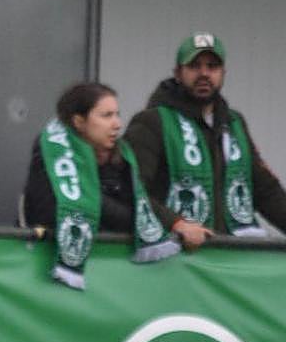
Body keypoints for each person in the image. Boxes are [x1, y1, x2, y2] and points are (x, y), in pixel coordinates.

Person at [124, 33, 286, 252]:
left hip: (226, 260)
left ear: (223, 73)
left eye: (212, 66)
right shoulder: (152, 122)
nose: (204, 73)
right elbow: (133, 190)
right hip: (173, 259)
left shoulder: (234, 123)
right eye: (194, 66)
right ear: (178, 73)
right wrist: (176, 223)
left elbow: (265, 190)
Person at [23, 82, 185, 289]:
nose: (117, 124)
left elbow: (137, 201)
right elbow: (52, 210)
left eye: (117, 114)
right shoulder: (53, 153)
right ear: (79, 122)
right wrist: (130, 220)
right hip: (44, 273)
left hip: (111, 279)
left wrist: (173, 222)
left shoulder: (121, 155)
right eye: (106, 116)